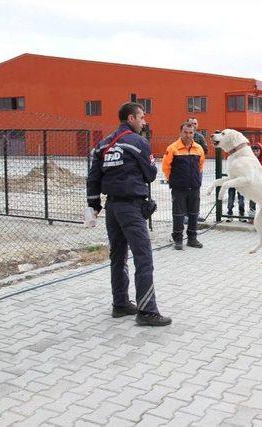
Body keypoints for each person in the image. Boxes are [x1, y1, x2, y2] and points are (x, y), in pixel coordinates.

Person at [86, 102, 171, 327]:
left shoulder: (103, 144)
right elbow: (151, 173)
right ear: (131, 118)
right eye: (142, 118)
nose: (144, 122)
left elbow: (93, 177)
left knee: (118, 257)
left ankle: (120, 303)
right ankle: (147, 311)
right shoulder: (138, 141)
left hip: (111, 208)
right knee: (143, 258)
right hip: (131, 208)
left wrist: (92, 206)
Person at [162, 122, 205, 250]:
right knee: (178, 215)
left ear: (194, 133)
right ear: (180, 132)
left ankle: (192, 239)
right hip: (178, 189)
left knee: (194, 214)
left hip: (194, 188)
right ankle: (178, 240)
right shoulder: (172, 148)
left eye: (190, 133)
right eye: (185, 132)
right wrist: (174, 181)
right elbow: (165, 167)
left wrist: (196, 181)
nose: (188, 135)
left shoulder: (199, 148)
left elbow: (201, 166)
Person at [248, 143, 262, 221]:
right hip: (252, 185)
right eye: (253, 151)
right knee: (252, 201)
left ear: (260, 151)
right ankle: (251, 217)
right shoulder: (248, 161)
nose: (255, 153)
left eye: (257, 150)